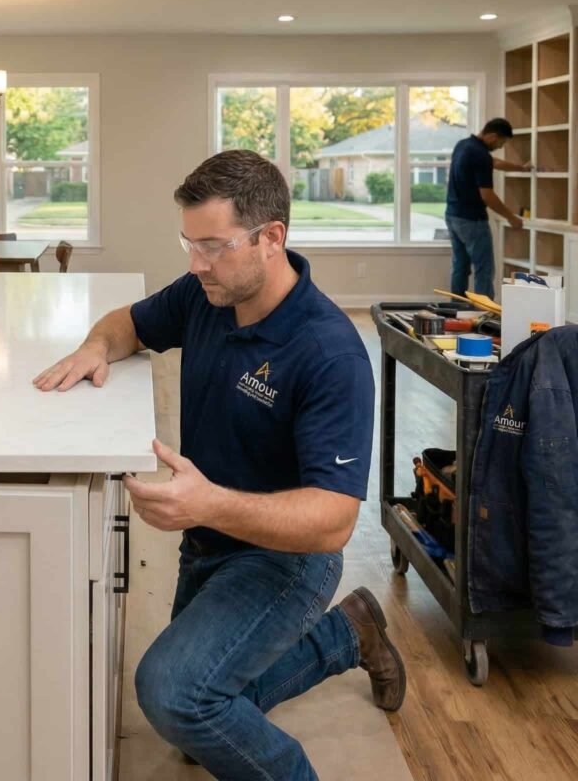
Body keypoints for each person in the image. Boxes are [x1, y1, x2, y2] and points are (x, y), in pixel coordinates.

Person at [33, 149, 406, 781]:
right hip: (208, 542)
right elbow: (129, 323)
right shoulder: (208, 293)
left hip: (287, 559)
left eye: (213, 245)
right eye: (189, 243)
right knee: (194, 725)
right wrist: (96, 345)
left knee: (174, 694)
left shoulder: (329, 354)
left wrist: (209, 503)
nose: (195, 262)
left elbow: (334, 520)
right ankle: (349, 632)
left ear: (271, 238)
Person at [445, 117, 533, 299]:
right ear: (492, 136)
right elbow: (487, 195)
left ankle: (455, 307)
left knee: (460, 265)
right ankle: (484, 312)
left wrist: (521, 168)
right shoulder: (480, 155)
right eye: (501, 142)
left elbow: (495, 163)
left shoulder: (463, 145)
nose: (500, 146)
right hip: (472, 220)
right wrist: (511, 217)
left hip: (453, 216)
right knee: (484, 268)